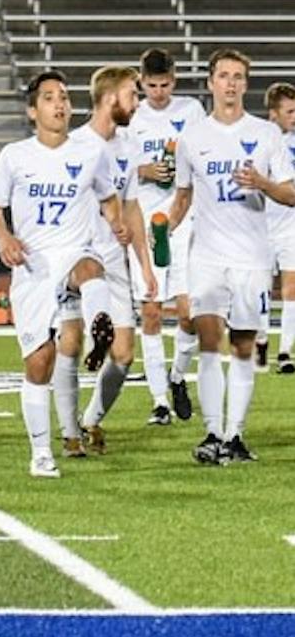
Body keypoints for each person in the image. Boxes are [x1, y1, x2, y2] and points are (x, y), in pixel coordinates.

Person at [0, 71, 126, 478]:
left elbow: (108, 196)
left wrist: (115, 221)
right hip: (32, 266)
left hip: (73, 253)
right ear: (33, 110)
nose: (60, 104)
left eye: (64, 97)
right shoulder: (15, 156)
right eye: (49, 98)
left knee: (91, 268)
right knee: (40, 363)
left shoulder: (89, 153)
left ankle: (102, 326)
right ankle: (41, 452)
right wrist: (4, 236)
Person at [165, 49, 295, 464]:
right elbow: (183, 197)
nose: (231, 83)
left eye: (239, 76)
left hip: (253, 257)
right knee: (207, 340)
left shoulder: (267, 135)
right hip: (206, 254)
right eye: (224, 75)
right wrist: (162, 228)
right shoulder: (192, 137)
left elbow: (291, 194)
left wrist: (261, 181)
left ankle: (235, 436)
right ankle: (211, 433)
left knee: (242, 346)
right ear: (210, 82)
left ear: (246, 83)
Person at [67, 66, 157, 455]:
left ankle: (90, 421)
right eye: (132, 95)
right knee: (68, 344)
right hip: (78, 254)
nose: (137, 102)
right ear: (109, 99)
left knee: (123, 355)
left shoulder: (129, 145)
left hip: (115, 258)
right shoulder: (73, 145)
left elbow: (132, 206)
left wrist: (145, 264)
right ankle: (68, 429)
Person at [128, 47, 205, 425]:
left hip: (184, 218)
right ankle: (159, 401)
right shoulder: (132, 116)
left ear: (174, 80)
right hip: (144, 221)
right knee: (152, 311)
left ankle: (177, 379)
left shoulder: (190, 111)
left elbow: (205, 154)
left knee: (190, 314)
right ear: (141, 82)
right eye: (152, 85)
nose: (159, 92)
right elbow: (115, 168)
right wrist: (144, 170)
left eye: (165, 84)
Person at [266, 82, 295, 374]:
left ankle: (285, 350)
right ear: (273, 114)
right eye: (290, 111)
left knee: (291, 287)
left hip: (291, 224)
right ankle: (260, 345)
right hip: (261, 223)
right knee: (259, 289)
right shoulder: (262, 140)